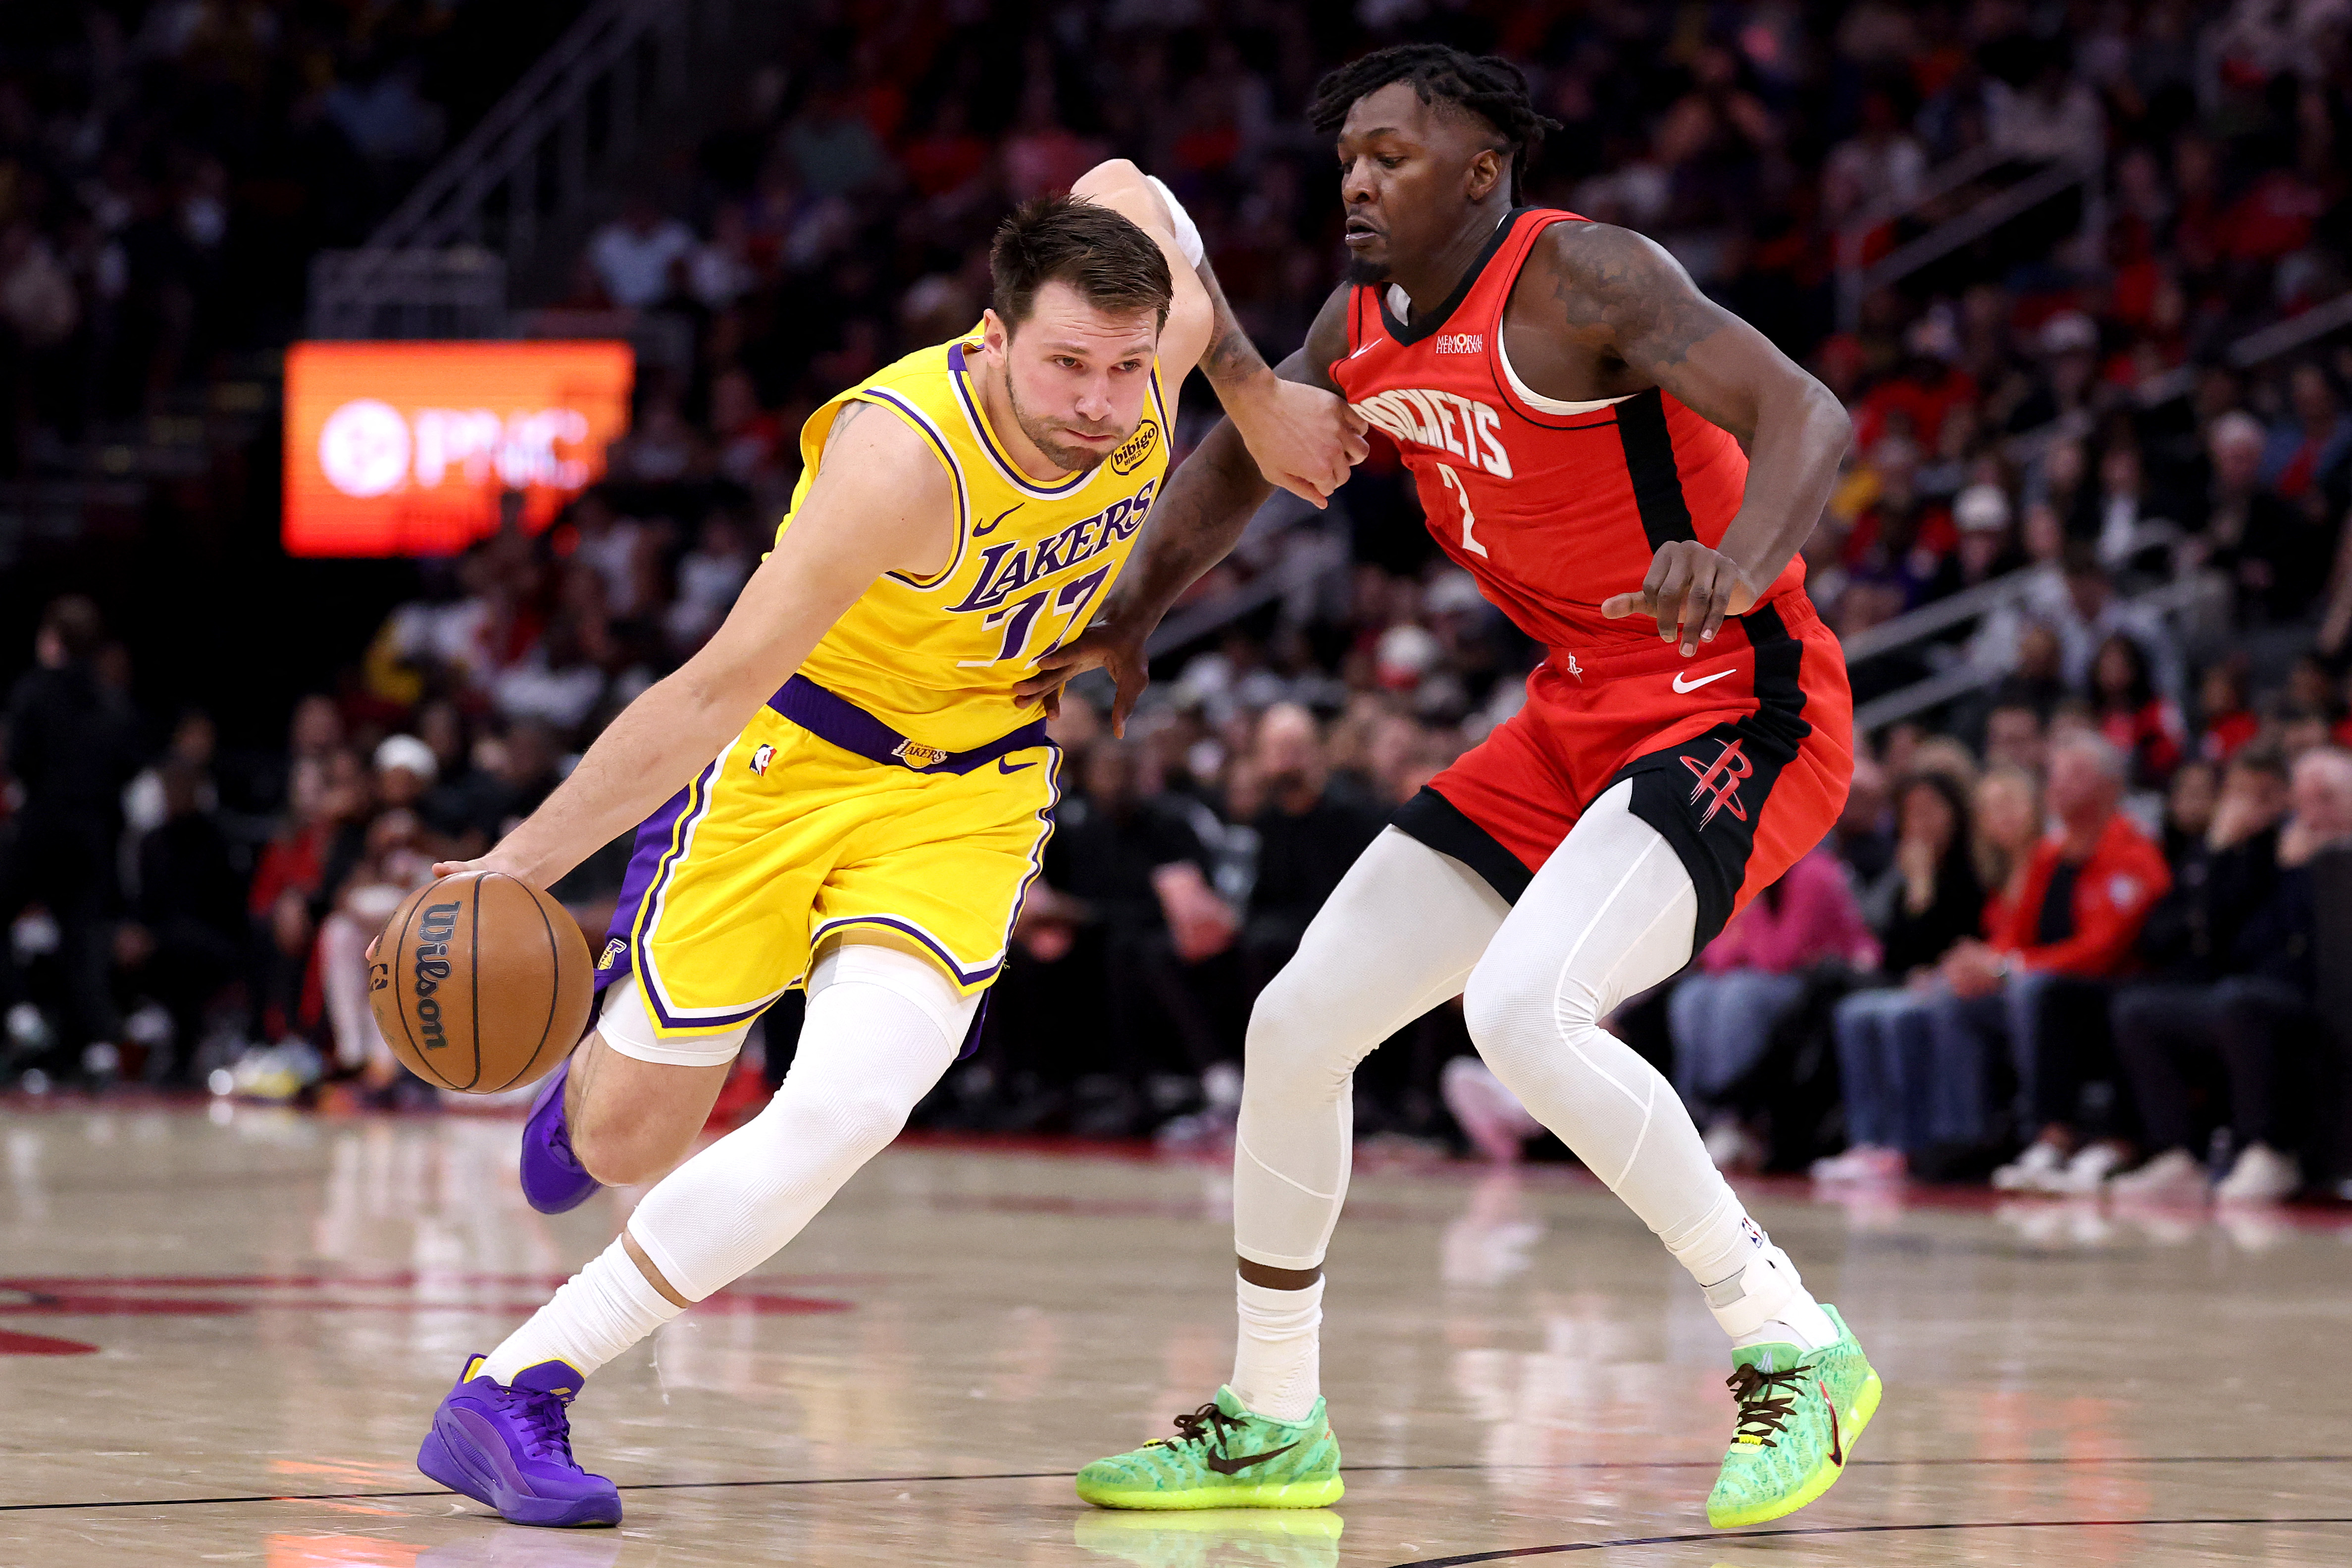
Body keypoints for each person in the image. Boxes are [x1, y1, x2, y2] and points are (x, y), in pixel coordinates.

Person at [398, 171, 1367, 1528]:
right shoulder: (898, 457)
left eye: (1125, 369)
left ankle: (512, 1385)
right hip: (787, 761)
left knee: (849, 1104)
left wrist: (1253, 394)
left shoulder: (1160, 336)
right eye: (1066, 365)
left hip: (970, 789)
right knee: (623, 1145)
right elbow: (709, 687)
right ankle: (597, 1068)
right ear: (990, 337)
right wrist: (508, 866)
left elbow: (1124, 189)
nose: (1101, 400)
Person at [1034, 46, 1872, 1529]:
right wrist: (1132, 605)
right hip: (1569, 715)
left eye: (1391, 154)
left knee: (1519, 1010)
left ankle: (1787, 1338)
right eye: (1345, 155)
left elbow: (1805, 410)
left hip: (1733, 700)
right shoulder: (1355, 325)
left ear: (1480, 168)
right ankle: (1273, 1418)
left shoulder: (1586, 281)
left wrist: (1734, 564)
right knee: (1294, 1020)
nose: (1355, 179)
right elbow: (1248, 453)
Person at [1944, 734, 2170, 1192]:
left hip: (2116, 989)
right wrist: (1981, 963)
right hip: (2051, 985)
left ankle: (2053, 1132)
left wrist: (2012, 967)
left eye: (2074, 774)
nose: (2058, 784)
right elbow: (2015, 932)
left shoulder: (2134, 855)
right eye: (2056, 773)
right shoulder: (2049, 854)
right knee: (1954, 1000)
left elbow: (2102, 950)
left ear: (2110, 787)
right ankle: (1962, 1137)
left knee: (2037, 991)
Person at [2106, 745, 2309, 1201]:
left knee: (2238, 1002)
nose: (2249, 806)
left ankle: (2268, 1148)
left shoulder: (2297, 849)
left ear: (2286, 801)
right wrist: (2217, 852)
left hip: (2289, 991)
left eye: (2265, 795)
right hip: (2228, 989)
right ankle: (2179, 1152)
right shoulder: (2217, 851)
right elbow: (2171, 933)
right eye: (2239, 792)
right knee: (2137, 1008)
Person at [1814, 768, 1986, 1182]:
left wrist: (1925, 890)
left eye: (1931, 812)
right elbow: (1897, 952)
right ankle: (1868, 1139)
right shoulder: (1907, 874)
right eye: (1912, 815)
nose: (1921, 824)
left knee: (1897, 1017)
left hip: (1958, 980)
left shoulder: (1972, 868)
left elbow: (1967, 934)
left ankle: (1905, 1142)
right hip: (1911, 982)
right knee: (1855, 1012)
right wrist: (1917, 889)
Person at [1668, 846, 1876, 1170]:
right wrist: (1743, 941)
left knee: (1740, 996)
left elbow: (1781, 955)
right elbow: (1716, 956)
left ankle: (1738, 1118)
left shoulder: (1814, 872)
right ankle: (1699, 1115)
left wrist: (1750, 919)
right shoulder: (1752, 867)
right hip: (1779, 977)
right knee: (1694, 996)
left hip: (1819, 986)